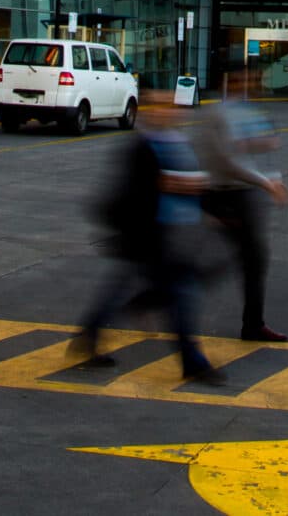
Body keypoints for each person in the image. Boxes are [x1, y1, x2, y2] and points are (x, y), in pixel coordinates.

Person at [77, 92, 223, 383]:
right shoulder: (141, 147)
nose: (166, 111)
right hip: (149, 235)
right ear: (147, 112)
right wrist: (182, 185)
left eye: (170, 106)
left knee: (120, 288)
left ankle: (91, 335)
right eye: (158, 106)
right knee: (182, 294)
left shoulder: (178, 143)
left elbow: (191, 181)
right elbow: (148, 187)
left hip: (170, 233)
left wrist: (206, 205)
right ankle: (192, 361)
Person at [193, 71, 288, 341]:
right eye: (239, 81)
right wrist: (265, 183)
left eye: (250, 82)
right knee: (215, 261)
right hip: (220, 194)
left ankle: (253, 324)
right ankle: (162, 296)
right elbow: (226, 160)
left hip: (244, 194)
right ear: (226, 83)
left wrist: (273, 179)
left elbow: (263, 151)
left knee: (254, 260)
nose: (246, 87)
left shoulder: (250, 112)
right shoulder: (217, 114)